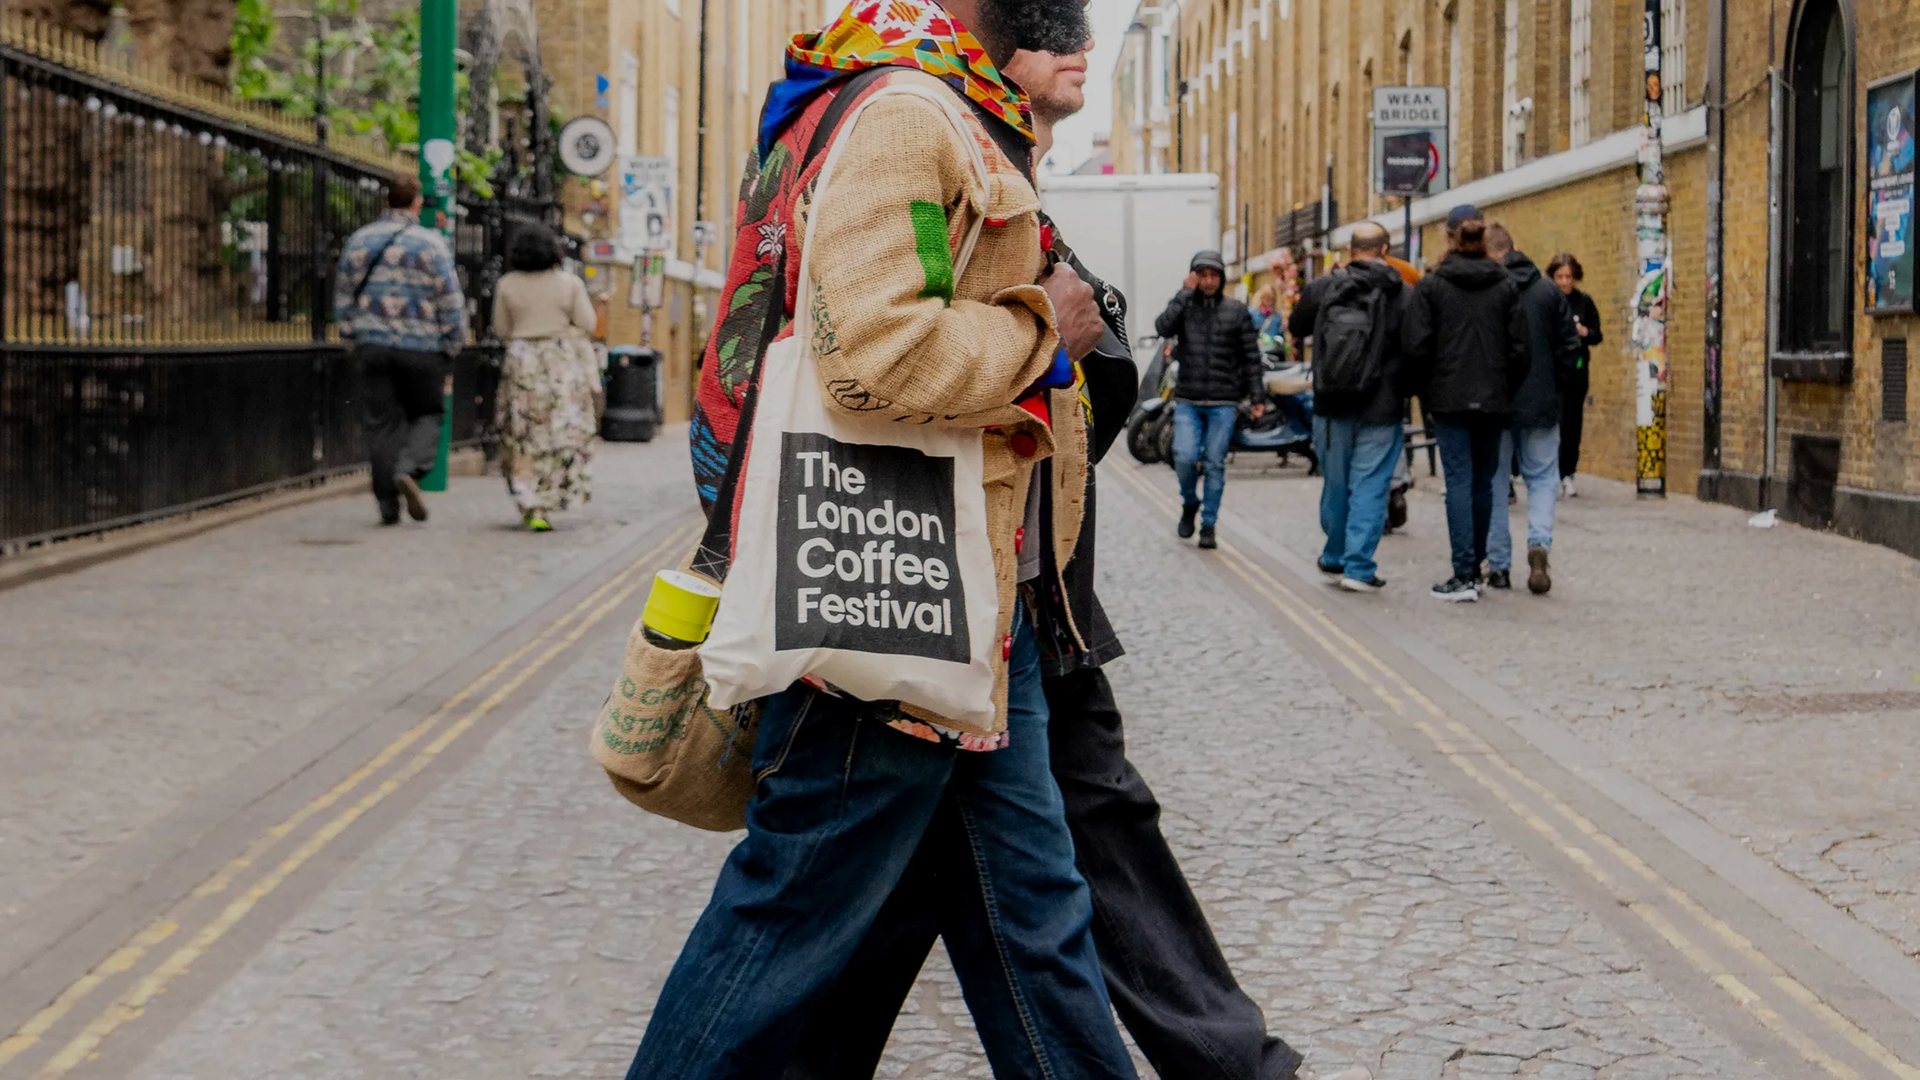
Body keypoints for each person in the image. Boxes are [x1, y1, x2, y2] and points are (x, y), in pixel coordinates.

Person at [783, 41, 1360, 1080]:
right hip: (954, 594)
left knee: (981, 871)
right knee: (883, 886)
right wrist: (1051, 334)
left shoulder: (998, 162)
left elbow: (1086, 387)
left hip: (1023, 601)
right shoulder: (920, 132)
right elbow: (886, 361)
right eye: (1052, 35)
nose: (1079, 47)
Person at [635, 1, 1134, 1077]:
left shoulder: (935, 102)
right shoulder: (909, 114)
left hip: (973, 598)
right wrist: (1048, 334)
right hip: (894, 583)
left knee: (1035, 923)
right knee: (786, 915)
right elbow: (880, 350)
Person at [1403, 205, 1529, 603]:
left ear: (1451, 238)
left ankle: (1464, 573)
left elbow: (1417, 348)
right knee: (1484, 483)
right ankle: (1474, 568)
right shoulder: (1506, 285)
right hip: (1493, 399)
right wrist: (1505, 386)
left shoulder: (1432, 285)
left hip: (1449, 400)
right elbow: (1521, 350)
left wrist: (1428, 392)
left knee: (1457, 480)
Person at [333, 173, 466, 526]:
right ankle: (408, 469)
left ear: (386, 200)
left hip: (373, 345)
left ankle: (387, 506)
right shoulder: (430, 244)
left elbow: (343, 296)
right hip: (422, 348)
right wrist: (454, 342)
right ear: (417, 203)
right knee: (428, 413)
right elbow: (449, 299)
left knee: (382, 424)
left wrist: (350, 338)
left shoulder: (359, 241)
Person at [1289, 222, 1413, 593]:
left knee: (1337, 482)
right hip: (1382, 405)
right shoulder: (1402, 293)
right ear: (1385, 248)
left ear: (1349, 250)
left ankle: (1334, 554)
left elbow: (1297, 326)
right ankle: (1358, 568)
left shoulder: (1326, 286)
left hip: (1331, 402)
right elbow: (1416, 346)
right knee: (1371, 485)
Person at [1483, 226, 1581, 594]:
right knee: (1542, 479)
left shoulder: (1491, 291)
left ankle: (1499, 566)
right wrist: (1556, 387)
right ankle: (1539, 543)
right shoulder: (1548, 291)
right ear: (1516, 248)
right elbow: (1570, 348)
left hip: (1497, 404)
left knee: (1495, 482)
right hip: (1541, 402)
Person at [1155, 250, 1267, 549]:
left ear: (1221, 278)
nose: (1207, 281)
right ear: (1194, 276)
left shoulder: (1236, 311)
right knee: (1185, 457)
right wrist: (1183, 294)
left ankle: (1209, 525)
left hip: (1223, 402)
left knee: (1215, 463)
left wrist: (1257, 396)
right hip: (1188, 399)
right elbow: (1162, 327)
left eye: (1213, 275)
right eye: (1202, 275)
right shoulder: (1184, 306)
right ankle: (1190, 502)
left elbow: (1251, 358)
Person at [491, 224, 600, 532]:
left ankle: (530, 502)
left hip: (522, 362)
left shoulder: (507, 284)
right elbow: (588, 324)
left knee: (522, 434)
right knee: (561, 433)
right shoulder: (569, 284)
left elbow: (501, 329)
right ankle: (550, 496)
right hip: (560, 363)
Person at [1548, 253, 1603, 497]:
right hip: (1553, 371)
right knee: (1554, 422)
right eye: (1559, 276)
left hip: (1578, 371)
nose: (1564, 282)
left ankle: (1568, 473)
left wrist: (1584, 331)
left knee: (1573, 424)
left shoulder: (1584, 302)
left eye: (1568, 276)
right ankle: (1552, 472)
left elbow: (1597, 335)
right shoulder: (1548, 301)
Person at [1251, 283, 1289, 361]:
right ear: (1262, 298)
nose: (1270, 302)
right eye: (1267, 298)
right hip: (1259, 353)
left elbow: (1280, 334)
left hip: (1275, 353)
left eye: (1272, 299)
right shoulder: (1253, 313)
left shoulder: (1277, 316)